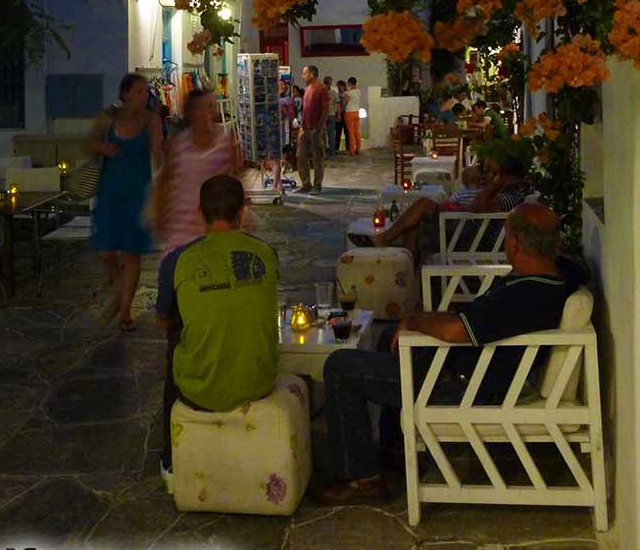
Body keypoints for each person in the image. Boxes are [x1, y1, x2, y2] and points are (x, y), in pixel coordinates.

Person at [320, 203, 581, 503]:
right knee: (388, 338)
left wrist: (417, 319)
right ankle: (394, 451)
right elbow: (574, 265)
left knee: (340, 366)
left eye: (507, 235)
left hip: (459, 384)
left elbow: (454, 331)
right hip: (467, 368)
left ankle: (361, 478)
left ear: (516, 244)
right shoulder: (559, 276)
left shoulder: (524, 296)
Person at [155, 175, 279, 490]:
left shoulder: (176, 261)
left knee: (176, 343)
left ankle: (171, 461)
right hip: (258, 380)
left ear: (200, 212)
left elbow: (162, 319)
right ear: (243, 211)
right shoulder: (265, 254)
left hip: (201, 387)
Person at [86, 73, 162, 331]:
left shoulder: (151, 120)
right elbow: (88, 144)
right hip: (110, 191)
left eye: (145, 91)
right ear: (125, 93)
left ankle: (126, 309)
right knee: (106, 250)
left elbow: (158, 154)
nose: (143, 95)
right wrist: (101, 148)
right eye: (138, 90)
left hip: (137, 193)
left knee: (132, 253)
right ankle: (121, 287)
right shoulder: (109, 117)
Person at [352, 155, 534, 259]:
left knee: (423, 205)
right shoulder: (514, 191)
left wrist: (494, 184)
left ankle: (386, 240)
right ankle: (407, 282)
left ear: (507, 176)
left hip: (475, 238)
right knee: (414, 226)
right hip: (471, 228)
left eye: (495, 173)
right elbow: (478, 208)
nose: (489, 176)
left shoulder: (510, 195)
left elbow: (478, 207)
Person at [153, 88, 241, 256]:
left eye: (211, 106)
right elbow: (165, 182)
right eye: (203, 107)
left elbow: (235, 177)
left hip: (216, 222)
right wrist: (159, 215)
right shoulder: (179, 145)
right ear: (191, 113)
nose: (208, 112)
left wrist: (239, 213)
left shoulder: (225, 139)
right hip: (183, 225)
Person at [297, 64, 331, 192]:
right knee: (301, 156)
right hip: (305, 128)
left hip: (316, 129)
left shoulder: (321, 89)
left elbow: (326, 109)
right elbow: (305, 110)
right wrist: (302, 126)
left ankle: (317, 185)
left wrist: (319, 127)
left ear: (312, 74)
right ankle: (306, 184)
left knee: (318, 158)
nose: (303, 76)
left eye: (305, 73)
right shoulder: (307, 89)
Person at [345, 77, 363, 155]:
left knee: (351, 132)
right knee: (357, 131)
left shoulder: (348, 93)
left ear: (349, 83)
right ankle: (358, 149)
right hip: (357, 112)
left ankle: (351, 150)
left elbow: (344, 102)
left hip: (349, 113)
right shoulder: (358, 91)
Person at [334, 79, 349, 153]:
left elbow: (343, 103)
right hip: (338, 114)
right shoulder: (336, 95)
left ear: (344, 87)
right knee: (338, 132)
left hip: (345, 114)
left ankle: (348, 148)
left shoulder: (346, 94)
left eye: (341, 86)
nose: (339, 88)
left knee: (347, 132)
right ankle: (336, 148)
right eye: (338, 87)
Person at [323, 75, 337, 154]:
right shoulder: (333, 93)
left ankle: (324, 150)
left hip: (323, 116)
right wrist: (338, 114)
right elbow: (337, 104)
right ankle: (332, 151)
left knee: (322, 134)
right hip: (331, 114)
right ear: (330, 83)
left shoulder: (320, 92)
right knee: (331, 134)